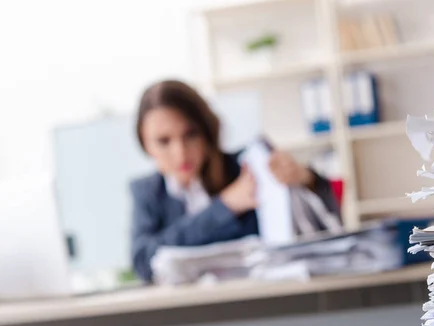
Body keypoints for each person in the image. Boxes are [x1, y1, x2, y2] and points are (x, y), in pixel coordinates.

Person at [131, 80, 339, 283]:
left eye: (191, 135)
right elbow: (142, 261)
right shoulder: (148, 192)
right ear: (145, 144)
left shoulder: (246, 169)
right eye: (163, 141)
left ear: (207, 131)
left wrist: (305, 178)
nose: (181, 153)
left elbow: (327, 221)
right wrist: (225, 206)